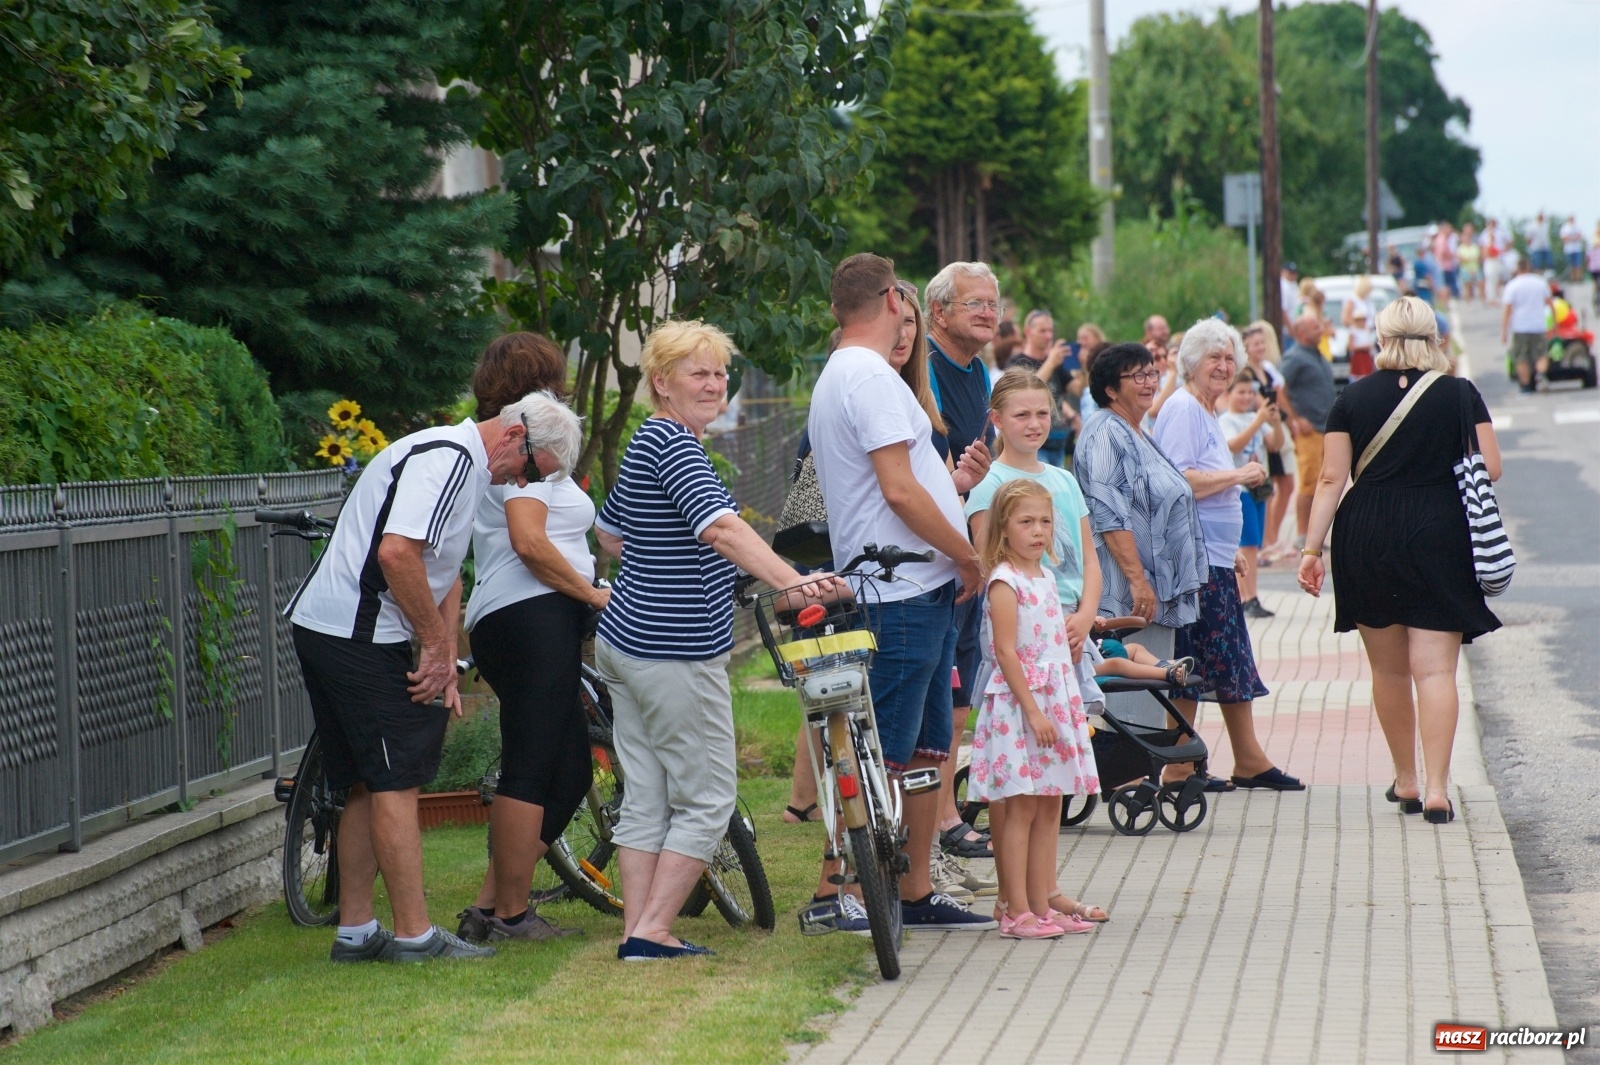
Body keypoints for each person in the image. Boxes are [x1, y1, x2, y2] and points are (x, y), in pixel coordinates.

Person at [288, 390, 571, 963]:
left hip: (335, 627)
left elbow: (445, 572)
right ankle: (416, 936)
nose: (523, 484)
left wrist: (444, 654)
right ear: (516, 436)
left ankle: (357, 932)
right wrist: (438, 647)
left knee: (367, 780)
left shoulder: (465, 466)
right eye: (533, 470)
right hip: (357, 633)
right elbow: (398, 554)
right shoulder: (449, 457)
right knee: (397, 781)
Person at [593, 319, 835, 961]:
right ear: (661, 382)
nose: (714, 384)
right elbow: (721, 529)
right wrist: (796, 583)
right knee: (706, 800)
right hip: (672, 650)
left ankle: (638, 932)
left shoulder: (648, 440)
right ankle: (652, 931)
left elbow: (611, 535)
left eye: (720, 373)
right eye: (697, 373)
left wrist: (670, 566)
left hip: (625, 640)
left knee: (646, 796)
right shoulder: (675, 445)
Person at [806, 252, 996, 934]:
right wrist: (966, 553)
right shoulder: (868, 375)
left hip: (919, 585)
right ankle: (842, 892)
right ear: (892, 298)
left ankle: (914, 891)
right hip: (901, 588)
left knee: (925, 750)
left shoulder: (853, 372)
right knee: (882, 750)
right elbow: (900, 489)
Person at [1298, 296, 1502, 823]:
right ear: (1435, 338)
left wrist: (1311, 550)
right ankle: (1437, 790)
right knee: (1435, 672)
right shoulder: (1459, 394)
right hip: (1440, 531)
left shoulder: (1351, 397)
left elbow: (1330, 479)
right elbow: (1491, 467)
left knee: (1388, 671)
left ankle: (1405, 779)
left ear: (1381, 339)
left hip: (1366, 534)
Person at [452, 335, 594, 945]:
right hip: (532, 612)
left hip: (522, 616)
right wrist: (590, 595)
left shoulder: (511, 438)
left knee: (571, 772)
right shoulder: (527, 440)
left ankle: (489, 906)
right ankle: (512, 914)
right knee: (532, 765)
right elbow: (529, 541)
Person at [965, 370, 1108, 927]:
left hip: (1064, 633)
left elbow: (1088, 559)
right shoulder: (990, 484)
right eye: (1021, 414)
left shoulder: (1062, 480)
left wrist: (1086, 615)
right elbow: (989, 561)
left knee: (1051, 784)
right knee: (1017, 788)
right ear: (998, 419)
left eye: (1042, 413)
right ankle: (1014, 899)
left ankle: (1045, 893)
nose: (1034, 423)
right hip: (1020, 643)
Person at [1151, 321, 1300, 791]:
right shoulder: (1183, 408)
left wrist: (1226, 547)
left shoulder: (1204, 410)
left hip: (1209, 556)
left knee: (1226, 659)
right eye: (1213, 357)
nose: (1223, 366)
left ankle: (1244, 758)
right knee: (1197, 661)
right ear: (1191, 363)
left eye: (1229, 358)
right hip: (1192, 563)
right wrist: (1238, 476)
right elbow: (1178, 481)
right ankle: (1180, 766)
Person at [923, 261, 1003, 865]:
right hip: (929, 554)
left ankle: (945, 810)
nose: (987, 313)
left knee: (956, 693)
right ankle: (939, 819)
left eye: (993, 304)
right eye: (974, 303)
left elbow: (979, 459)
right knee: (938, 692)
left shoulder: (978, 371)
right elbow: (925, 469)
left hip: (966, 548)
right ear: (939, 312)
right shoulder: (922, 367)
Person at [1072, 343, 1207, 676]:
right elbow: (1109, 514)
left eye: (1151, 373)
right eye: (1137, 376)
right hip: (1125, 595)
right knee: (1131, 694)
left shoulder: (1133, 429)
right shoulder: (1107, 432)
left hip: (1152, 590)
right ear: (1110, 389)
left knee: (1157, 689)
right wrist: (1138, 581)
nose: (1149, 383)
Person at [1217, 372, 1283, 619]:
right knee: (1248, 544)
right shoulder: (1226, 420)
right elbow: (1233, 446)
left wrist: (1275, 422)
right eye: (1241, 392)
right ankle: (1248, 597)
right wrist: (1258, 421)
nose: (1246, 397)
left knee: (1255, 544)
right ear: (1229, 394)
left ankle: (1248, 595)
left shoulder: (1255, 417)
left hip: (1259, 488)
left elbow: (1275, 444)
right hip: (1240, 489)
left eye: (1250, 392)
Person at [1275, 315, 1337, 553]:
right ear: (1301, 333)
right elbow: (1278, 388)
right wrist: (1294, 419)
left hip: (1325, 429)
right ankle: (1302, 535)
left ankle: (1315, 535)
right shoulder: (1295, 357)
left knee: (1323, 483)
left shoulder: (1316, 354)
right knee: (1309, 484)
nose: (1320, 329)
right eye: (1315, 327)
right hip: (1309, 430)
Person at [1240, 321, 1297, 564]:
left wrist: (1288, 419)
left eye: (1262, 343)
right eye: (1255, 344)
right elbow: (1258, 404)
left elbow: (1279, 397)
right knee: (1269, 486)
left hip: (1275, 425)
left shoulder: (1267, 369)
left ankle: (1272, 537)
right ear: (1246, 347)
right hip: (1262, 428)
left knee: (1286, 483)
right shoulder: (1247, 373)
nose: (1260, 348)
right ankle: (1268, 539)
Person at [1006, 309, 1080, 468]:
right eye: (1043, 331)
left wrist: (1083, 367)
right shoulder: (1017, 362)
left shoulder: (1056, 361)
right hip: (1033, 442)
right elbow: (1023, 393)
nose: (1048, 336)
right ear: (1028, 332)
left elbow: (1077, 390)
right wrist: (1051, 362)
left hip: (1058, 440)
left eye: (1051, 331)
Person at [1500, 257, 1552, 394]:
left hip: (1520, 326)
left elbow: (1507, 310)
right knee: (1541, 354)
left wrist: (1504, 331)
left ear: (1517, 269)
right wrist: (1555, 324)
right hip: (1538, 325)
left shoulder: (1512, 285)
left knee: (1521, 357)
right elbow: (1549, 303)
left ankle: (1526, 386)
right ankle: (1540, 374)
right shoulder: (1540, 282)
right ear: (1528, 267)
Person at [1342, 275, 1377, 379]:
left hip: (1369, 335)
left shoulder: (1367, 301)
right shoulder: (1352, 301)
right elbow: (1345, 320)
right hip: (1359, 339)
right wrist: (1359, 327)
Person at [1458, 222, 1483, 303]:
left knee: (1480, 282)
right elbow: (1461, 259)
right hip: (1466, 268)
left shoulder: (1475, 245)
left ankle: (1482, 300)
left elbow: (1478, 257)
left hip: (1475, 267)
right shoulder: (1461, 247)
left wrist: (1470, 259)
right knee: (1467, 284)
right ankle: (1468, 301)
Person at [1482, 219, 1506, 300]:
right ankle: (1490, 297)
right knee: (1490, 280)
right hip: (1491, 263)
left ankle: (1495, 295)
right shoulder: (1487, 244)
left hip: (1496, 262)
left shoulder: (1496, 244)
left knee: (1496, 279)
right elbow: (1487, 254)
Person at [1560, 215, 1585, 283]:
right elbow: (1563, 237)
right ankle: (1572, 279)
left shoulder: (1577, 226)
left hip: (1577, 249)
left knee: (1578, 265)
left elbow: (1580, 236)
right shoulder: (1565, 227)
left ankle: (1578, 278)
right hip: (1569, 249)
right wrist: (1572, 238)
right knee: (1570, 266)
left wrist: (1572, 238)